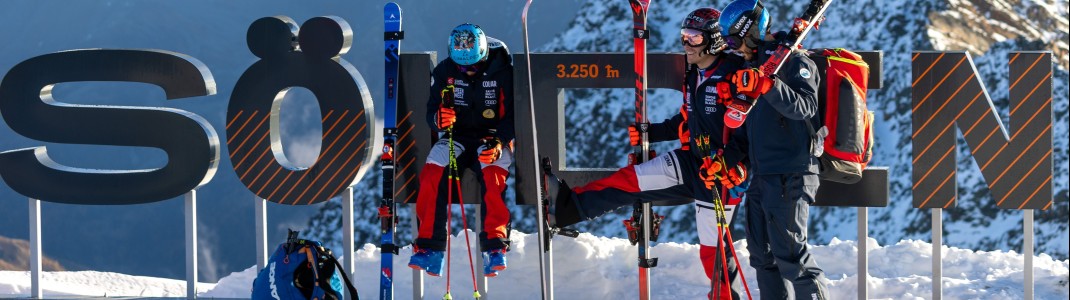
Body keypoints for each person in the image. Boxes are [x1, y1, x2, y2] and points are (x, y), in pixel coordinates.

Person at [545, 8, 749, 299]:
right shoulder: (694, 74)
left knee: (713, 247)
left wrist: (728, 162)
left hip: (721, 176)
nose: (686, 44)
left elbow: (749, 129)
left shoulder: (734, 75)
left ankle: (724, 296)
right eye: (684, 37)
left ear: (714, 41)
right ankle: (565, 208)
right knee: (629, 180)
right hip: (691, 159)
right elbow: (687, 118)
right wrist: (653, 133)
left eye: (693, 37)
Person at [717, 0, 830, 298]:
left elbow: (806, 107)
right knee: (762, 257)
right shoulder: (749, 70)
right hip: (762, 176)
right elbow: (746, 132)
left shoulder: (795, 61)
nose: (731, 48)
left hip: (791, 174)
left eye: (733, 40)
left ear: (750, 30)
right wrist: (732, 162)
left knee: (793, 259)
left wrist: (769, 86)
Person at [408, 23, 515, 278]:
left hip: (492, 138)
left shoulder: (504, 72)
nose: (468, 71)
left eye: (474, 66)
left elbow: (513, 116)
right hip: (456, 137)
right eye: (462, 67)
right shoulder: (446, 70)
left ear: (484, 54)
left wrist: (500, 141)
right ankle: (430, 249)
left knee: (493, 173)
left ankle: (495, 247)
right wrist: (439, 120)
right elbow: (431, 111)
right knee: (433, 170)